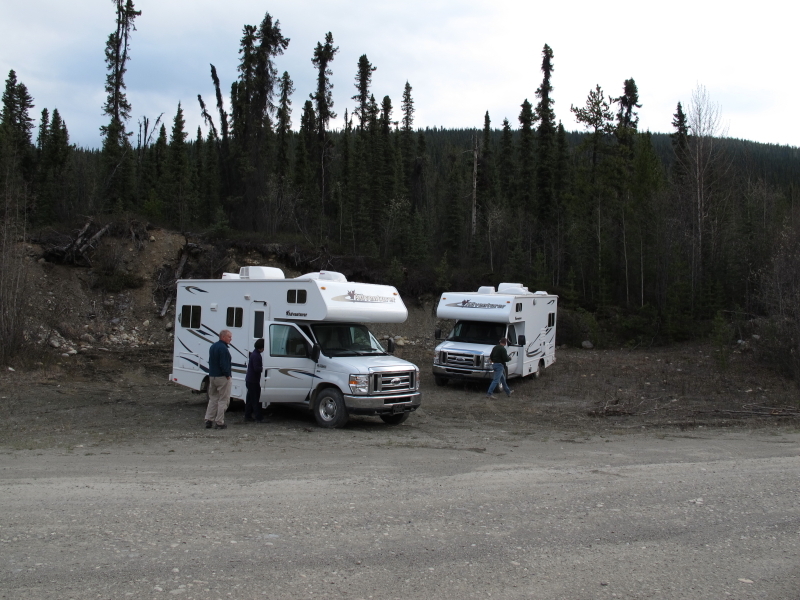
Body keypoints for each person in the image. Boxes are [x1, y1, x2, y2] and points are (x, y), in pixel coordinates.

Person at [205, 329, 233, 429]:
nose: (231, 339)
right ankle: (219, 422)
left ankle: (208, 419)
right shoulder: (223, 349)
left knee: (213, 398)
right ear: (223, 337)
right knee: (223, 400)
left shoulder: (213, 346)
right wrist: (227, 375)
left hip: (212, 376)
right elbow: (224, 364)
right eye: (229, 337)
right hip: (222, 377)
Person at [244, 338, 265, 423]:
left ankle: (247, 415)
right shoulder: (256, 356)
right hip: (253, 381)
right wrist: (263, 368)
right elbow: (256, 368)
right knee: (256, 400)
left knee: (249, 399)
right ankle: (258, 417)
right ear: (261, 347)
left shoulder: (254, 353)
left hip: (250, 380)